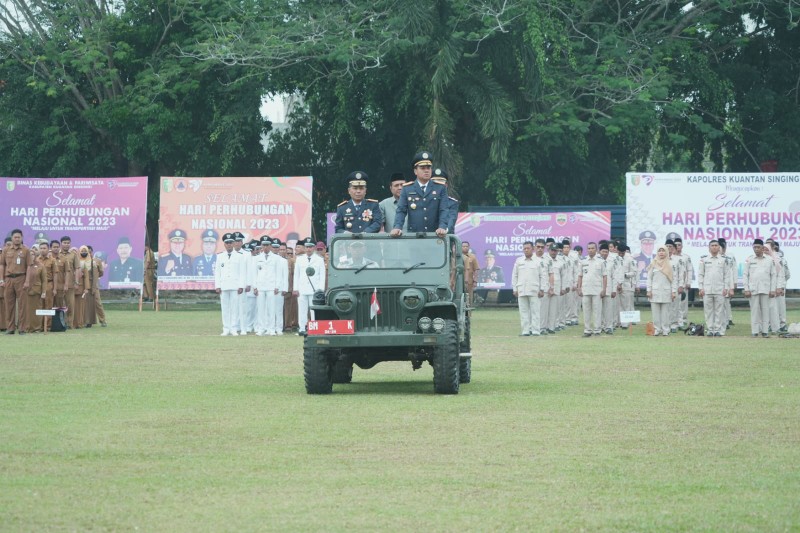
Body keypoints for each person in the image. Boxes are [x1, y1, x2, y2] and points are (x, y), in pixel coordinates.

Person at [391, 151, 448, 237]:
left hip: (435, 236)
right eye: (422, 168)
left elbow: (443, 210)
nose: (426, 170)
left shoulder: (440, 188)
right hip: (414, 237)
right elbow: (401, 211)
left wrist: (442, 226)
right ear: (415, 171)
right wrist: (397, 227)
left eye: (428, 168)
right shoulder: (407, 188)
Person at [512, 241, 548, 336]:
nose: (526, 250)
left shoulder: (539, 261)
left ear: (532, 249)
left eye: (528, 248)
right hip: (521, 289)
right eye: (524, 248)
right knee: (523, 312)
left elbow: (543, 276)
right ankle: (525, 331)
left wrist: (542, 289)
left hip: (534, 290)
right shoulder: (519, 261)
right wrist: (514, 289)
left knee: (535, 311)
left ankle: (536, 330)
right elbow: (514, 276)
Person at [743, 238, 776, 337]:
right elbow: (745, 275)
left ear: (762, 248)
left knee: (765, 310)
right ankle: (755, 331)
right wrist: (746, 289)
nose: (756, 249)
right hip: (753, 289)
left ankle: (765, 331)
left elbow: (773, 275)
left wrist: (772, 289)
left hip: (766, 289)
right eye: (754, 247)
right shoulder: (749, 259)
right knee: (754, 311)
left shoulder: (769, 260)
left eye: (758, 247)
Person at [293, 237, 326, 335]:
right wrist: (295, 288)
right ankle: (302, 328)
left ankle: (314, 328)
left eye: (311, 247)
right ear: (304, 248)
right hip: (302, 288)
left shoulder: (319, 260)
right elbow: (296, 275)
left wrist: (320, 290)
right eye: (307, 247)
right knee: (302, 310)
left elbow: (322, 276)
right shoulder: (299, 259)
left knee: (314, 310)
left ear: (314, 248)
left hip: (314, 289)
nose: (308, 249)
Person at [1, 229, 31, 334]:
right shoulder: (6, 250)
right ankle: (10, 328)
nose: (17, 239)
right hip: (8, 278)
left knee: (22, 305)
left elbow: (29, 266)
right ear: (12, 238)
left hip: (21, 278)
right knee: (9, 305)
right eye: (15, 237)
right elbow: (2, 265)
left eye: (19, 237)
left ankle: (22, 328)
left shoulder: (26, 250)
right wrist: (1, 279)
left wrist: (27, 281)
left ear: (22, 238)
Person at [215, 233, 245, 336]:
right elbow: (217, 272)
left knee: (234, 308)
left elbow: (242, 272)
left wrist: (241, 286)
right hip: (223, 286)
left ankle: (234, 329)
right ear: (224, 244)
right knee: (225, 308)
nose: (228, 244)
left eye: (230, 242)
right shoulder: (220, 256)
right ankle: (226, 328)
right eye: (226, 243)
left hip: (235, 285)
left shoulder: (239, 256)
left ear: (233, 243)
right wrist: (217, 286)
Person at [697, 239, 729, 336]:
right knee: (708, 311)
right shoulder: (704, 259)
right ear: (709, 247)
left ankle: (718, 330)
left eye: (716, 245)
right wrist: (700, 288)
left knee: (719, 311)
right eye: (712, 245)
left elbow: (726, 275)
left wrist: (726, 287)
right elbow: (700, 274)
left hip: (720, 289)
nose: (714, 247)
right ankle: (711, 330)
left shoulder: (723, 259)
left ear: (719, 247)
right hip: (707, 289)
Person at [577, 242, 606, 337]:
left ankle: (597, 330)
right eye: (589, 248)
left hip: (597, 290)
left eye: (592, 248)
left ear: (596, 249)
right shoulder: (583, 261)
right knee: (586, 311)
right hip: (585, 289)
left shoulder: (601, 261)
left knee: (597, 311)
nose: (590, 250)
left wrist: (604, 289)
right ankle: (587, 330)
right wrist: (579, 288)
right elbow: (580, 276)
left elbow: (604, 276)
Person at [646, 246, 677, 336]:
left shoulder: (671, 264)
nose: (661, 253)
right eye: (659, 251)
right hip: (654, 292)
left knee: (665, 313)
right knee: (655, 313)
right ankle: (657, 329)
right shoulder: (653, 263)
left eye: (663, 251)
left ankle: (665, 330)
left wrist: (673, 291)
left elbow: (673, 279)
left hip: (666, 291)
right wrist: (649, 290)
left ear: (666, 252)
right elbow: (649, 278)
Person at [58, 236, 80, 329]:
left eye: (68, 243)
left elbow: (77, 269)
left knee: (70, 304)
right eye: (64, 243)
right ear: (61, 243)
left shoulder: (73, 255)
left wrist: (76, 282)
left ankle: (69, 324)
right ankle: (59, 323)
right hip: (58, 283)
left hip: (70, 283)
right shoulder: (56, 254)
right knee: (58, 304)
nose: (66, 244)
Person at [83, 245, 107, 327]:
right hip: (84, 285)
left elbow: (101, 272)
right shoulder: (81, 260)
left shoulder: (97, 261)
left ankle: (102, 320)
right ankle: (88, 322)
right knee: (86, 304)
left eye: (89, 251)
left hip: (94, 284)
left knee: (97, 303)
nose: (88, 253)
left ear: (92, 252)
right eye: (86, 251)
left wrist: (95, 277)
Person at [24, 246, 47, 333]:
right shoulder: (24, 266)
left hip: (36, 291)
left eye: (33, 254)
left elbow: (44, 280)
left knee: (37, 310)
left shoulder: (40, 265)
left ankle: (37, 328)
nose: (31, 256)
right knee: (26, 310)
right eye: (29, 254)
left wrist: (44, 292)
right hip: (25, 291)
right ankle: (26, 327)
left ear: (36, 255)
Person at [431, 168, 459, 234]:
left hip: (445, 237)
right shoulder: (425, 200)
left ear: (446, 185)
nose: (438, 186)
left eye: (441, 183)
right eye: (435, 183)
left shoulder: (452, 203)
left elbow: (451, 220)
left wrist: (444, 230)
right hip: (428, 237)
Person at [461, 241, 480, 306]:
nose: (465, 248)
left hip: (469, 282)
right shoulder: (457, 257)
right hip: (458, 282)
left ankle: (468, 314)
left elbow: (476, 269)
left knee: (469, 299)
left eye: (466, 246)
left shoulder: (472, 257)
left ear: (469, 247)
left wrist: (475, 281)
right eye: (463, 246)